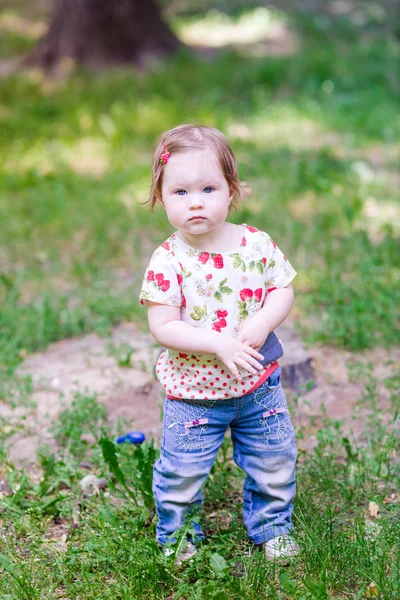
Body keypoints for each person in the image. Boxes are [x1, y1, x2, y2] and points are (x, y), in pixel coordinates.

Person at [139, 124, 299, 564]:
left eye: (208, 188)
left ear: (232, 190)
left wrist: (264, 321)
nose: (195, 201)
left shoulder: (255, 244)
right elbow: (163, 327)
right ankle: (179, 534)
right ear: (160, 197)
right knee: (182, 471)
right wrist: (216, 343)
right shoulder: (168, 260)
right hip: (194, 394)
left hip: (258, 385)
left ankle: (272, 526)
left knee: (273, 460)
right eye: (179, 192)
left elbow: (282, 289)